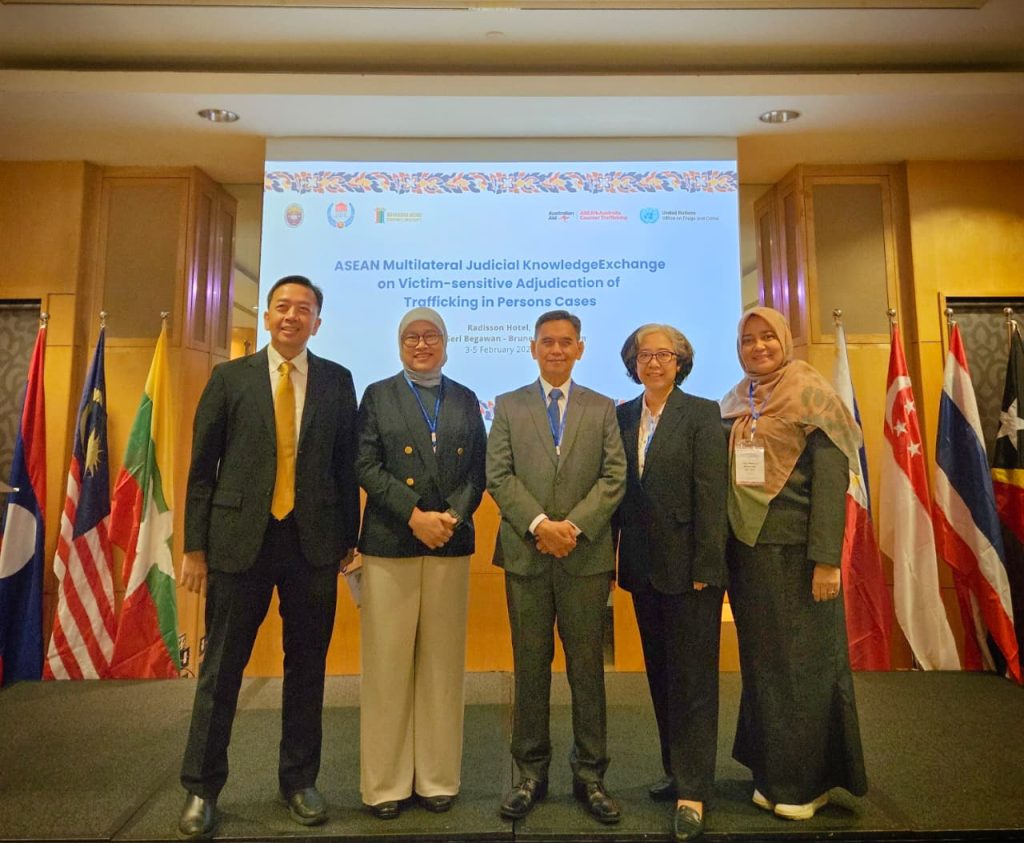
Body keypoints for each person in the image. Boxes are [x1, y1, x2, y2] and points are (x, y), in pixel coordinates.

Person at [176, 275, 360, 840]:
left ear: (317, 322)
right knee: (222, 669)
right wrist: (195, 547)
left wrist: (347, 542)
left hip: (312, 546)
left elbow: (345, 466)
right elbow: (202, 469)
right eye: (283, 307)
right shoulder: (230, 378)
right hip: (238, 544)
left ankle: (299, 781)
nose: (292, 316)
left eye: (303, 309)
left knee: (306, 669)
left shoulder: (336, 380)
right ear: (267, 316)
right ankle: (202, 788)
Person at [720, 306, 867, 821]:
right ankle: (772, 774)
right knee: (765, 669)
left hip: (800, 559)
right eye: (748, 340)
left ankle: (807, 785)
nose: (758, 347)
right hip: (749, 557)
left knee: (803, 669)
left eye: (767, 338)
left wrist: (826, 562)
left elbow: (831, 484)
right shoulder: (738, 400)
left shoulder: (812, 395)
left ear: (785, 340)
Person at [487, 309, 627, 825]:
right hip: (526, 557)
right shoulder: (507, 406)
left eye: (566, 342)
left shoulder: (602, 407)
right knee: (529, 666)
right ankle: (530, 773)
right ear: (533, 347)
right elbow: (497, 475)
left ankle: (591, 775)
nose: (557, 350)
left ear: (580, 349)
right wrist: (542, 524)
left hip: (584, 558)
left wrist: (573, 528)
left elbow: (615, 476)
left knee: (587, 671)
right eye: (548, 342)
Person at [355, 307, 487, 819]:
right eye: (412, 336)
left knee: (442, 666)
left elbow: (479, 468)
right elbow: (365, 464)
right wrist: (414, 515)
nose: (422, 344)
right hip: (392, 541)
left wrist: (451, 516)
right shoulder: (378, 395)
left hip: (450, 543)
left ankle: (436, 777)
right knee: (387, 667)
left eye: (431, 336)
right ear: (399, 344)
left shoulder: (465, 397)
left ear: (447, 343)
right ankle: (385, 784)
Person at [613, 324, 728, 842]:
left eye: (665, 354)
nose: (654, 362)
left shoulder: (702, 415)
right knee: (660, 674)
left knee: (694, 682)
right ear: (632, 363)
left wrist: (708, 568)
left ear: (681, 361)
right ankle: (674, 768)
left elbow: (712, 496)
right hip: (642, 569)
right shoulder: (622, 416)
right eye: (645, 355)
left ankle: (694, 791)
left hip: (691, 574)